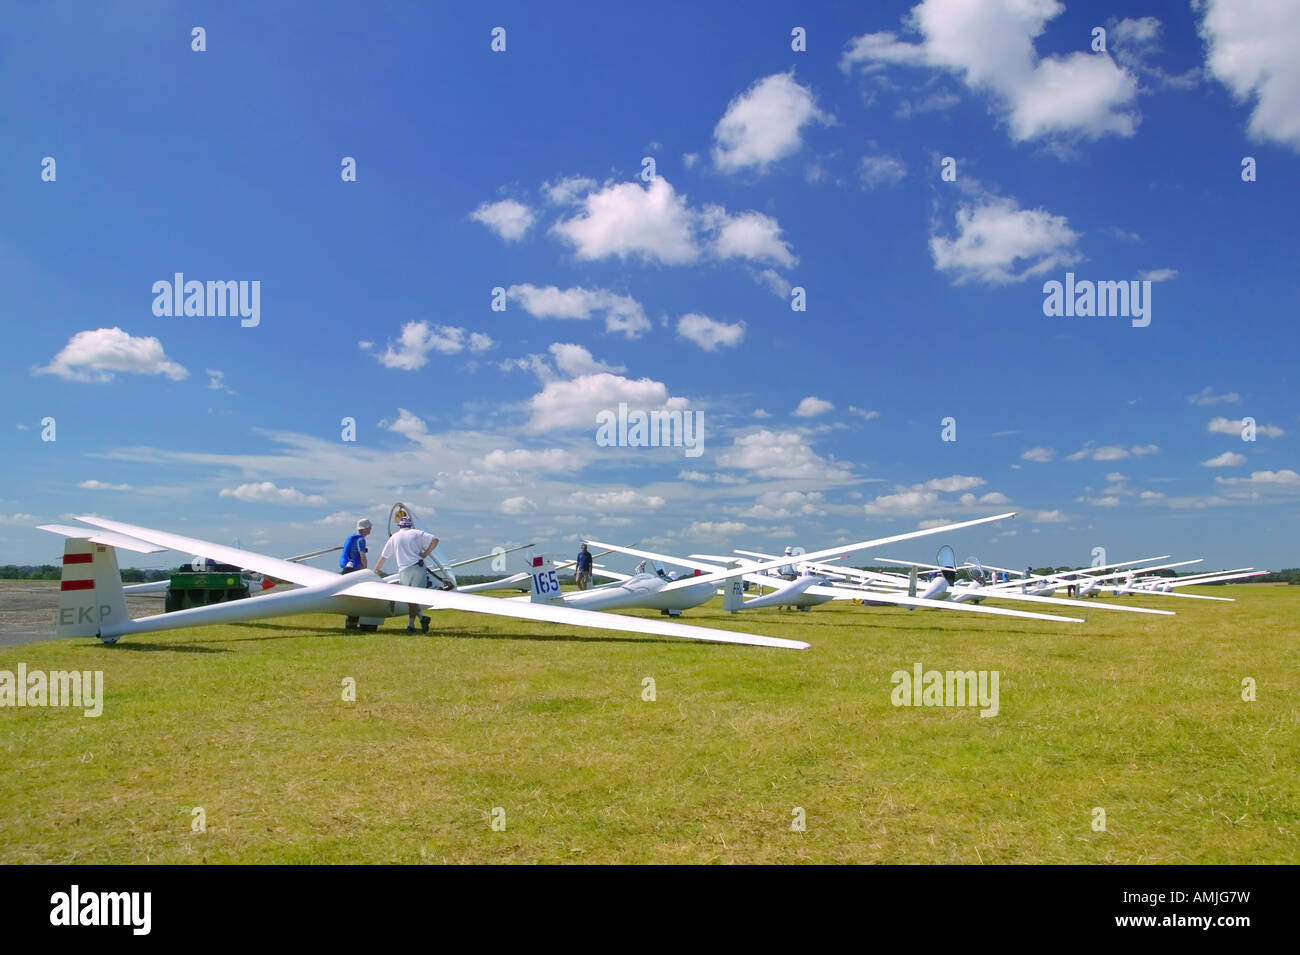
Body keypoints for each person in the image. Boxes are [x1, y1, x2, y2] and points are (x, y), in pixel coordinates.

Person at [373, 516, 439, 634]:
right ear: (410, 525)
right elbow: (435, 540)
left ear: (400, 526)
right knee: (413, 598)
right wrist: (425, 554)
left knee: (409, 598)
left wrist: (375, 571)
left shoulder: (394, 537)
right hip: (418, 567)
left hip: (404, 570)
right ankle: (420, 619)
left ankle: (412, 625)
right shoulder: (417, 533)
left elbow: (384, 557)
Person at [340, 519, 372, 629]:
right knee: (358, 598)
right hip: (355, 571)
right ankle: (353, 624)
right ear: (365, 529)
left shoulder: (352, 538)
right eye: (369, 528)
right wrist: (365, 570)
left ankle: (350, 623)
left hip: (346, 570)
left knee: (350, 598)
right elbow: (362, 555)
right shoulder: (361, 540)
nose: (370, 530)